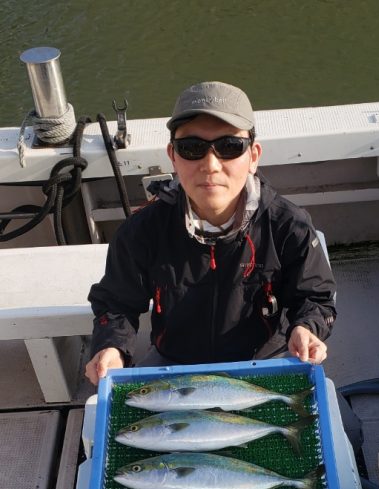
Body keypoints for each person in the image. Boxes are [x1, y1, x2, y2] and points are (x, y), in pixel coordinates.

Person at [85, 81, 336, 386]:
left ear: (253, 156)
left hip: (265, 360)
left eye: (230, 146)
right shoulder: (141, 231)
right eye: (192, 148)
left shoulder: (288, 226)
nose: (210, 164)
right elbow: (116, 303)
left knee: (343, 430)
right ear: (173, 157)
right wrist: (111, 347)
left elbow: (314, 297)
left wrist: (306, 328)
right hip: (175, 364)